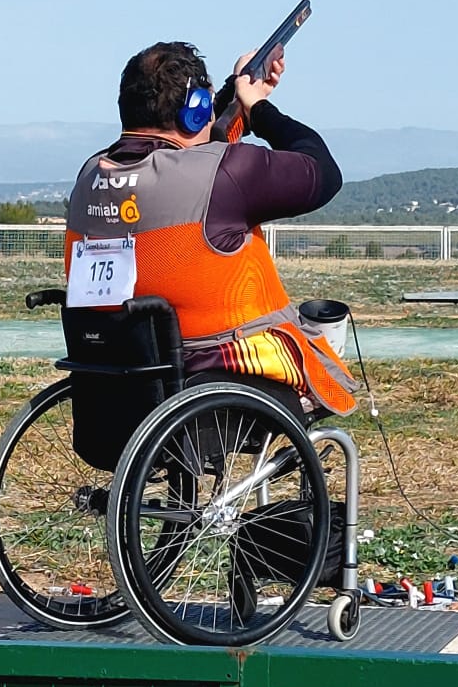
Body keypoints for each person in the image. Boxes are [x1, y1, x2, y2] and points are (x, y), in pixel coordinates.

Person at [64, 39, 356, 418]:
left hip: (120, 376)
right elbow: (323, 171)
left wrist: (235, 96)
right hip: (220, 373)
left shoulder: (90, 173)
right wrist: (259, 108)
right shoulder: (223, 176)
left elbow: (188, 160)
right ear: (197, 110)